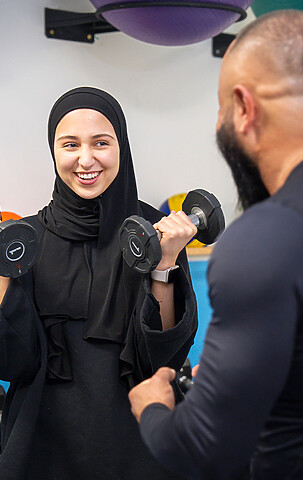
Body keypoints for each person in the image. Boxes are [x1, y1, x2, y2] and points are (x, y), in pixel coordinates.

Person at [0, 87, 199, 480]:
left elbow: (160, 362)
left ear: (121, 146)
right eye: (70, 144)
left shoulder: (158, 235)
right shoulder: (25, 239)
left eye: (101, 143)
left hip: (137, 444)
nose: (86, 160)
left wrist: (165, 262)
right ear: (54, 151)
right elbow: (7, 361)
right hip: (43, 446)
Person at [129, 9, 303, 480]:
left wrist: (153, 407)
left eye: (222, 110)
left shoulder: (268, 236)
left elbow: (202, 451)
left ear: (244, 108)